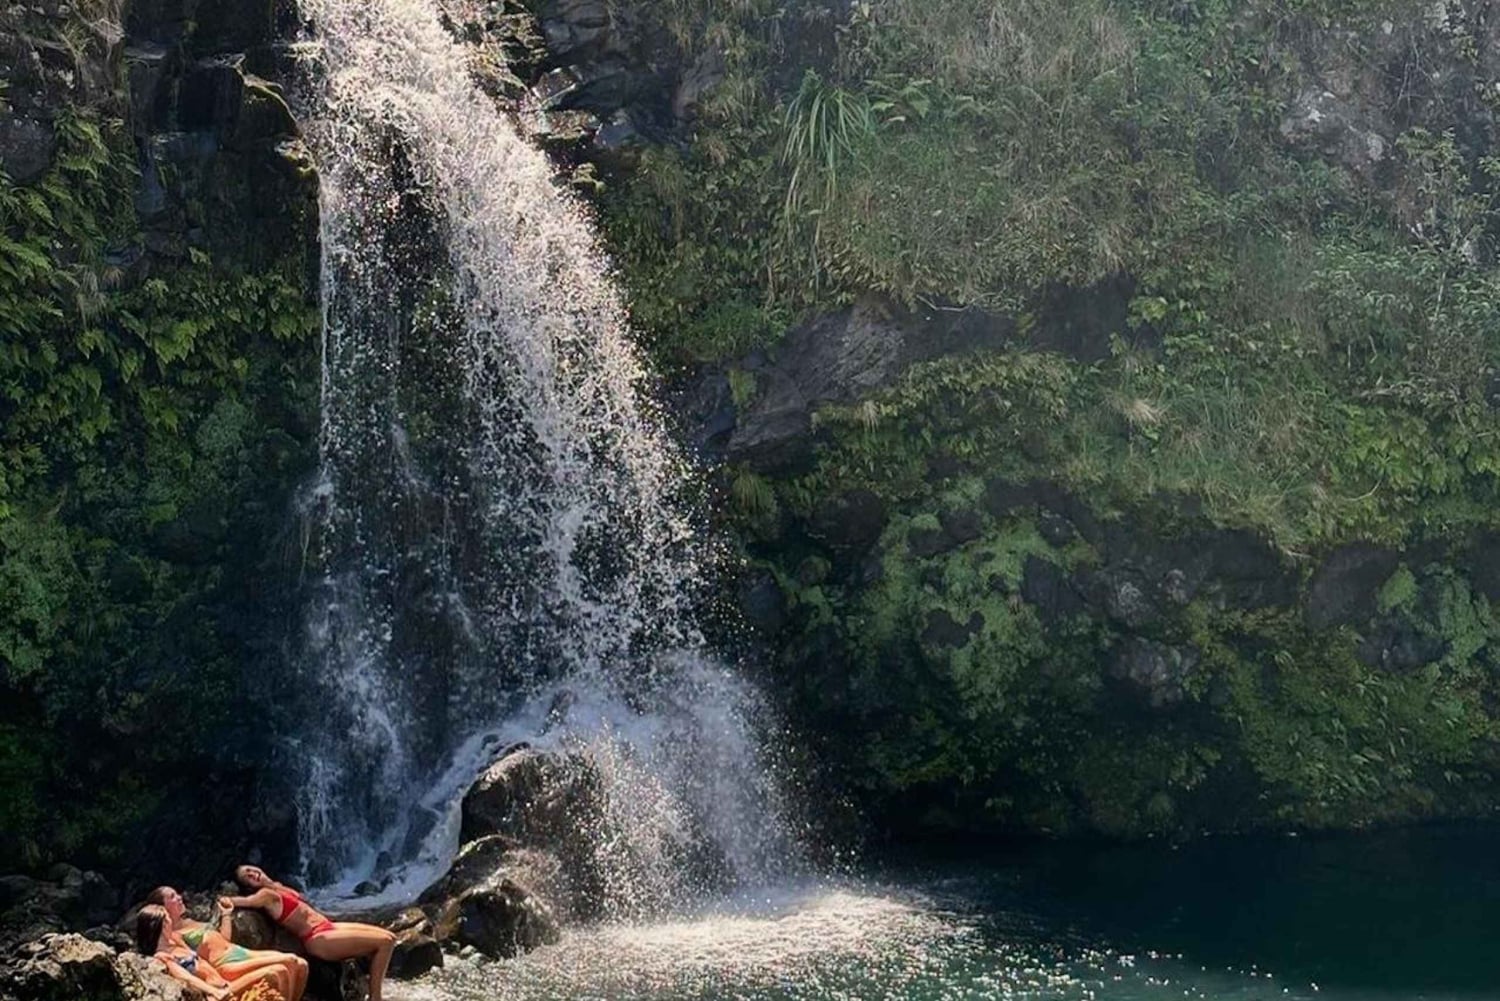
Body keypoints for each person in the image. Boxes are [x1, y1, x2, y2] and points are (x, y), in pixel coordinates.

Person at [227, 865, 396, 1001]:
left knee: (388, 937)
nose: (252, 873)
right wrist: (225, 902)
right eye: (246, 876)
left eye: (250, 869)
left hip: (328, 926)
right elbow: (247, 901)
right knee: (385, 942)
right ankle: (376, 997)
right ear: (249, 885)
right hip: (317, 938)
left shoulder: (277, 886)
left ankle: (370, 988)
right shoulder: (266, 895)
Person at [146, 885, 309, 1001]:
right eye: (172, 897)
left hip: (238, 951)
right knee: (286, 963)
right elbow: (192, 964)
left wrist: (226, 915)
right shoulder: (173, 937)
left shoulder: (191, 921)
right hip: (226, 963)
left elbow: (224, 939)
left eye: (176, 894)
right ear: (162, 907)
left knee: (300, 964)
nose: (179, 897)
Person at [136, 904, 284, 1001]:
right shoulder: (161, 956)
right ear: (161, 926)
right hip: (216, 991)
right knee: (271, 975)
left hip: (225, 983)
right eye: (168, 920)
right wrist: (214, 992)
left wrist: (226, 914)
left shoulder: (174, 943)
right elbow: (186, 977)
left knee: (277, 974)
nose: (170, 923)